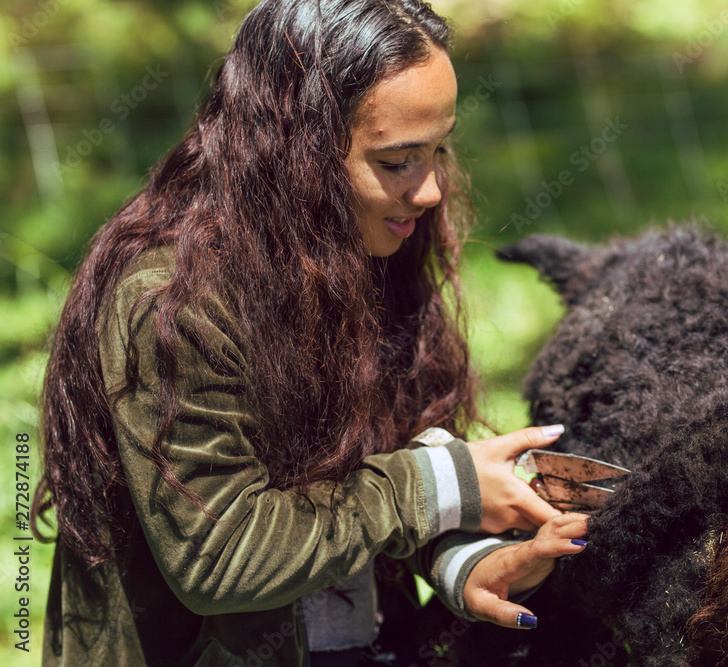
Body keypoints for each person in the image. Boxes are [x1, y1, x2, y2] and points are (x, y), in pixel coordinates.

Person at [29, 1, 588, 665]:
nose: (434, 189)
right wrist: (440, 486)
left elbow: (366, 475)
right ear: (297, 155)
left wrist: (460, 557)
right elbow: (223, 556)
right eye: (399, 159)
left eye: (439, 148)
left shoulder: (363, 247)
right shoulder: (170, 303)